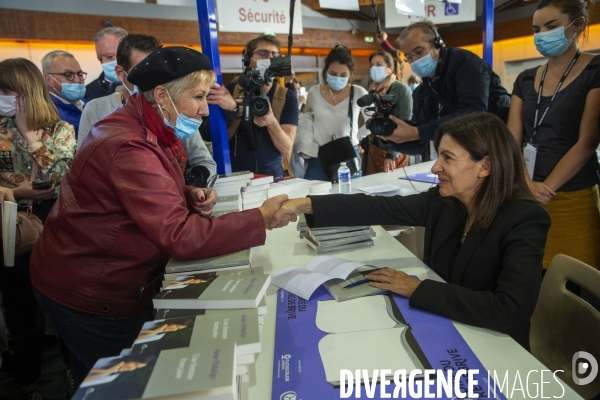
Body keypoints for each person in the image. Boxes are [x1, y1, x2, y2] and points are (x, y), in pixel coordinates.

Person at [30, 46, 288, 388]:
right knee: (118, 387)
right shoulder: (127, 144)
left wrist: (185, 194)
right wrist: (261, 218)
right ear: (163, 95)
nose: (204, 110)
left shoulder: (147, 125)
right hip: (92, 293)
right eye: (197, 97)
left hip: (102, 279)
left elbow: (137, 192)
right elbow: (180, 236)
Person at [273, 112, 550, 350]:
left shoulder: (525, 219)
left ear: (485, 166)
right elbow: (378, 207)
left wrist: (417, 288)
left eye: (447, 158)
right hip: (447, 327)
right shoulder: (445, 203)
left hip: (496, 347)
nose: (435, 167)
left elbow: (511, 311)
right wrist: (307, 205)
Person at [0, 58, 77, 400]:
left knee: (66, 305)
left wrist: (26, 130)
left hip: (56, 221)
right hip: (11, 224)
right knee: (21, 314)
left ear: (26, 91)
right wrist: (18, 192)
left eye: (6, 91)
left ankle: (74, 374)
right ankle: (28, 387)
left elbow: (59, 175)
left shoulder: (60, 130)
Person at [507, 0, 599, 271]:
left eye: (551, 26)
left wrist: (544, 189)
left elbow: (587, 142)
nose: (542, 34)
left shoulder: (595, 70)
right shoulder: (525, 78)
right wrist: (526, 183)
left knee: (575, 279)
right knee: (531, 274)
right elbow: (512, 137)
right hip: (525, 193)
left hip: (572, 195)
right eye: (536, 29)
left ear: (577, 24)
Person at [80, 33, 217, 181]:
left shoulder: (172, 110)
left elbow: (204, 160)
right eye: (141, 71)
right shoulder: (99, 111)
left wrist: (192, 188)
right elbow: (84, 169)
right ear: (121, 73)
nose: (152, 80)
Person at [376, 22, 511, 159]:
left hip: (497, 145)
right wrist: (390, 138)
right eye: (409, 57)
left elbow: (473, 113)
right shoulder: (423, 92)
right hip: (465, 152)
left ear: (437, 43)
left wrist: (419, 132)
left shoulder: (466, 64)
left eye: (418, 51)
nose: (415, 60)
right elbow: (417, 145)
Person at [205, 34, 298, 178]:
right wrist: (236, 114)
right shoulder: (229, 92)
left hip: (273, 177)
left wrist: (271, 122)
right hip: (235, 175)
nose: (269, 57)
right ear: (248, 60)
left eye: (275, 54)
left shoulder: (287, 97)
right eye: (263, 53)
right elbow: (220, 139)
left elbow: (286, 148)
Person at [299, 45, 369, 181]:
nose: (338, 78)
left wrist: (356, 137)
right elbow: (306, 120)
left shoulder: (358, 92)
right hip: (319, 155)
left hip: (347, 154)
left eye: (343, 75)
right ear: (325, 72)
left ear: (350, 74)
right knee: (314, 196)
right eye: (333, 74)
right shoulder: (314, 92)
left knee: (348, 198)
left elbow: (373, 120)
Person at [359, 50, 413, 175]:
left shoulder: (401, 90)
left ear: (390, 69)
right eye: (372, 65)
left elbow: (406, 124)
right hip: (373, 150)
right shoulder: (371, 90)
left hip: (395, 151)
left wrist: (392, 154)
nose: (374, 68)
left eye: (378, 65)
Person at [42, 50, 87, 139]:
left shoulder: (91, 104)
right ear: (49, 80)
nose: (78, 80)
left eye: (80, 74)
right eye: (68, 75)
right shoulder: (47, 114)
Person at [84, 27, 128, 101]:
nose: (104, 63)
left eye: (110, 56)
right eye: (100, 59)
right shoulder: (89, 92)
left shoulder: (147, 85)